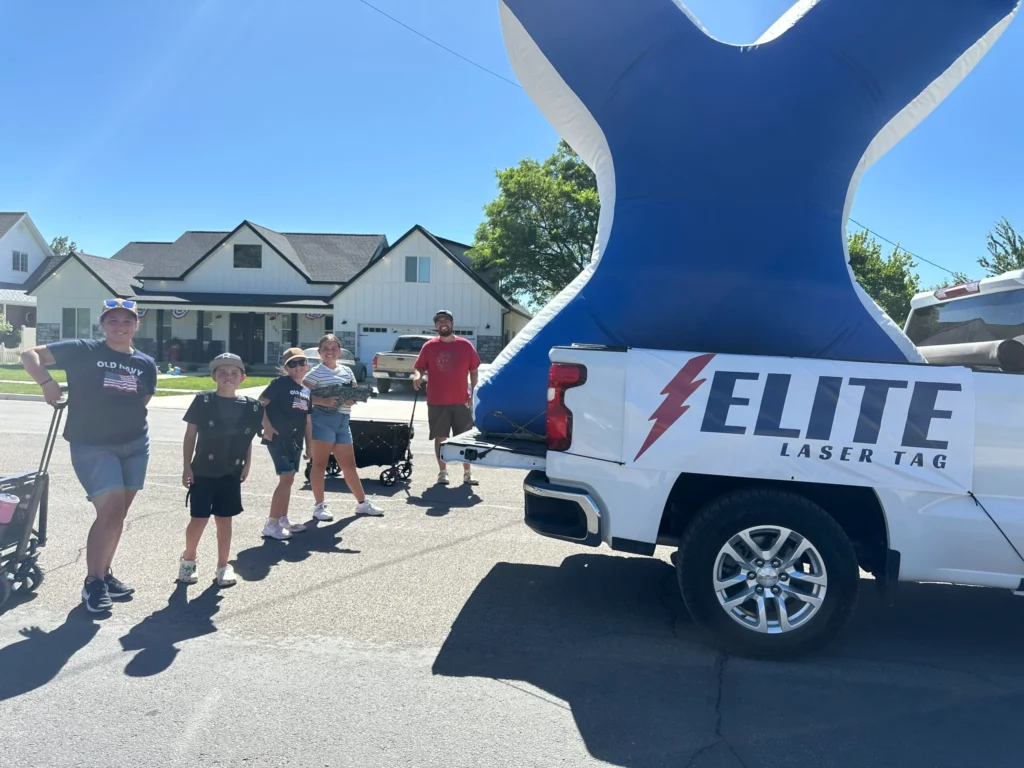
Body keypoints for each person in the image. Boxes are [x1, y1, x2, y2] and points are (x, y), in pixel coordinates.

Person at [21, 298, 158, 613]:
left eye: (127, 321)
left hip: (136, 444)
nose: (120, 327)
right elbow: (31, 355)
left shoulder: (145, 363)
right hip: (92, 445)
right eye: (113, 321)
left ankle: (104, 573)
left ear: (136, 325)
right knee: (109, 511)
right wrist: (46, 382)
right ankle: (93, 583)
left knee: (117, 515)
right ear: (102, 324)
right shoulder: (84, 350)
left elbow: (144, 398)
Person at [178, 353, 264, 587]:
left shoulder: (252, 407)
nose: (229, 377)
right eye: (223, 373)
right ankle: (188, 559)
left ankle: (223, 566)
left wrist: (247, 463)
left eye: (234, 373)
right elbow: (190, 435)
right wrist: (187, 466)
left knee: (224, 520)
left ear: (242, 378)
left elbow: (247, 439)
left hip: (230, 472)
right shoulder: (203, 401)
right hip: (203, 470)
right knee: (199, 519)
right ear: (214, 376)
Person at [303, 333, 384, 520]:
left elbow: (354, 394)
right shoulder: (314, 373)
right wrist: (323, 400)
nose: (329, 352)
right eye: (325, 349)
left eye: (333, 349)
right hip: (322, 420)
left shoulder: (347, 371)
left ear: (339, 351)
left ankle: (362, 503)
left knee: (349, 465)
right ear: (319, 352)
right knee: (320, 464)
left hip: (342, 421)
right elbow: (302, 395)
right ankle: (319, 506)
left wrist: (351, 399)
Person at [412, 309, 480, 486]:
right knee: (440, 438)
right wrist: (418, 375)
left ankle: (467, 472)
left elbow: (474, 371)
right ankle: (443, 472)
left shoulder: (465, 345)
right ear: (435, 326)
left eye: (446, 320)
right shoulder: (429, 346)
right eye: (439, 321)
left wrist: (474, 394)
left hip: (461, 401)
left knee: (465, 439)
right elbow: (419, 367)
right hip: (437, 401)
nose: (443, 323)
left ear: (452, 324)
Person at [258, 347, 313, 540]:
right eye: (293, 364)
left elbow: (307, 420)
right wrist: (267, 426)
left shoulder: (306, 390)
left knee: (289, 480)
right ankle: (271, 524)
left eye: (301, 362)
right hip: (278, 439)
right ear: (286, 367)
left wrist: (310, 445)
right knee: (286, 479)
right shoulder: (279, 383)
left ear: (307, 365)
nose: (298, 367)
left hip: (295, 442)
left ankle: (282, 520)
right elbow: (260, 404)